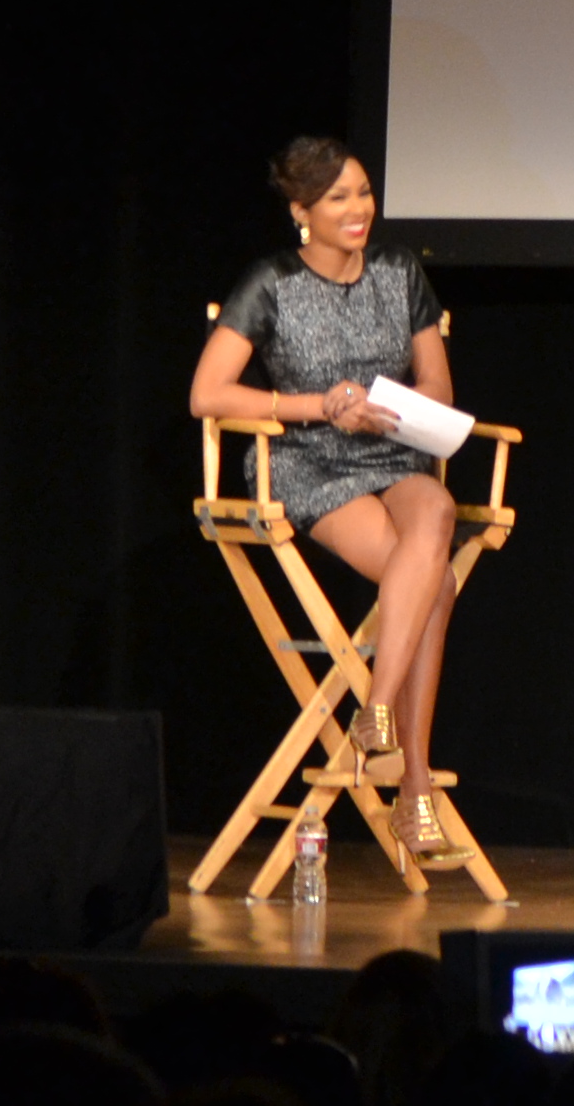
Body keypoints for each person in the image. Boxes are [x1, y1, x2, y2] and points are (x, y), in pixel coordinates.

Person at [186, 140, 472, 861]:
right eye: (338, 197)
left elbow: (438, 387)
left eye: (364, 192)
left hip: (392, 449)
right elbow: (207, 394)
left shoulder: (399, 271)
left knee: (438, 512)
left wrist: (385, 408)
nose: (358, 209)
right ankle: (414, 786)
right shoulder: (271, 281)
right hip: (307, 460)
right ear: (301, 211)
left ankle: (375, 707)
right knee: (435, 583)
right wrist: (320, 405)